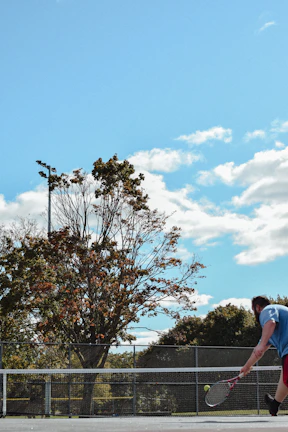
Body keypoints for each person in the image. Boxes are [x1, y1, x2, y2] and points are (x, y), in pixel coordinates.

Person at [240, 296, 288, 416]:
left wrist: (261, 345)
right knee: (285, 376)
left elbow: (270, 322)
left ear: (257, 308)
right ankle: (275, 404)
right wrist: (246, 367)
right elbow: (258, 352)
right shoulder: (271, 332)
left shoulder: (267, 310)